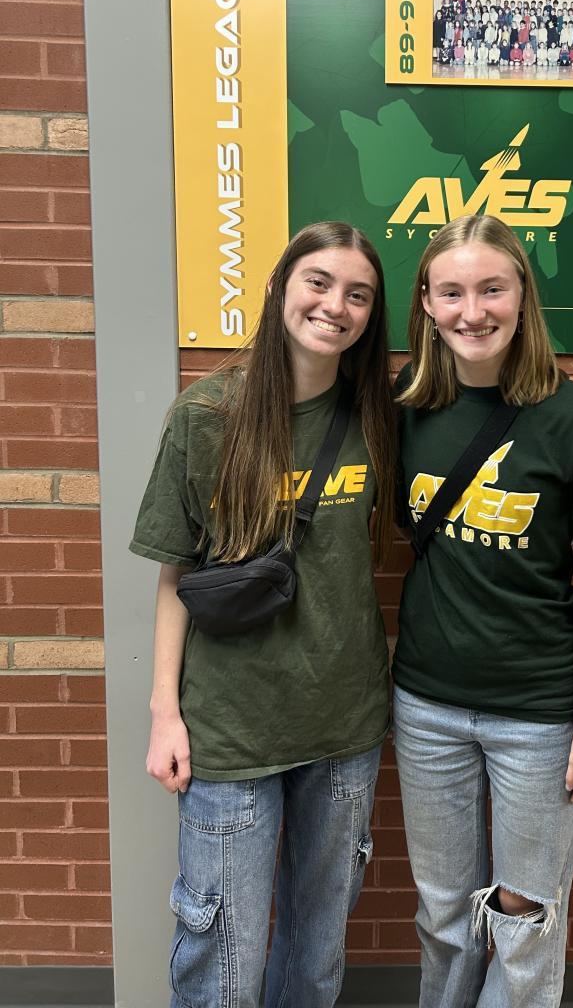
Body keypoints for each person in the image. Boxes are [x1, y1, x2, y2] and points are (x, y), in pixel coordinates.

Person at [130, 223, 397, 1008]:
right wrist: (164, 712)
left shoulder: (378, 417)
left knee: (316, 953)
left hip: (343, 726)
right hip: (230, 729)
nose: (335, 305)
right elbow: (176, 572)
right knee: (224, 960)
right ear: (280, 286)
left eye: (357, 294)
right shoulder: (206, 415)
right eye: (319, 282)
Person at [392, 215, 573, 1008]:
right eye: (452, 292)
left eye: (491, 289)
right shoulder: (403, 408)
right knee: (443, 913)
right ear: (426, 303)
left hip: (538, 714)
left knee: (523, 914)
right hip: (426, 704)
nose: (473, 311)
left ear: (522, 295)